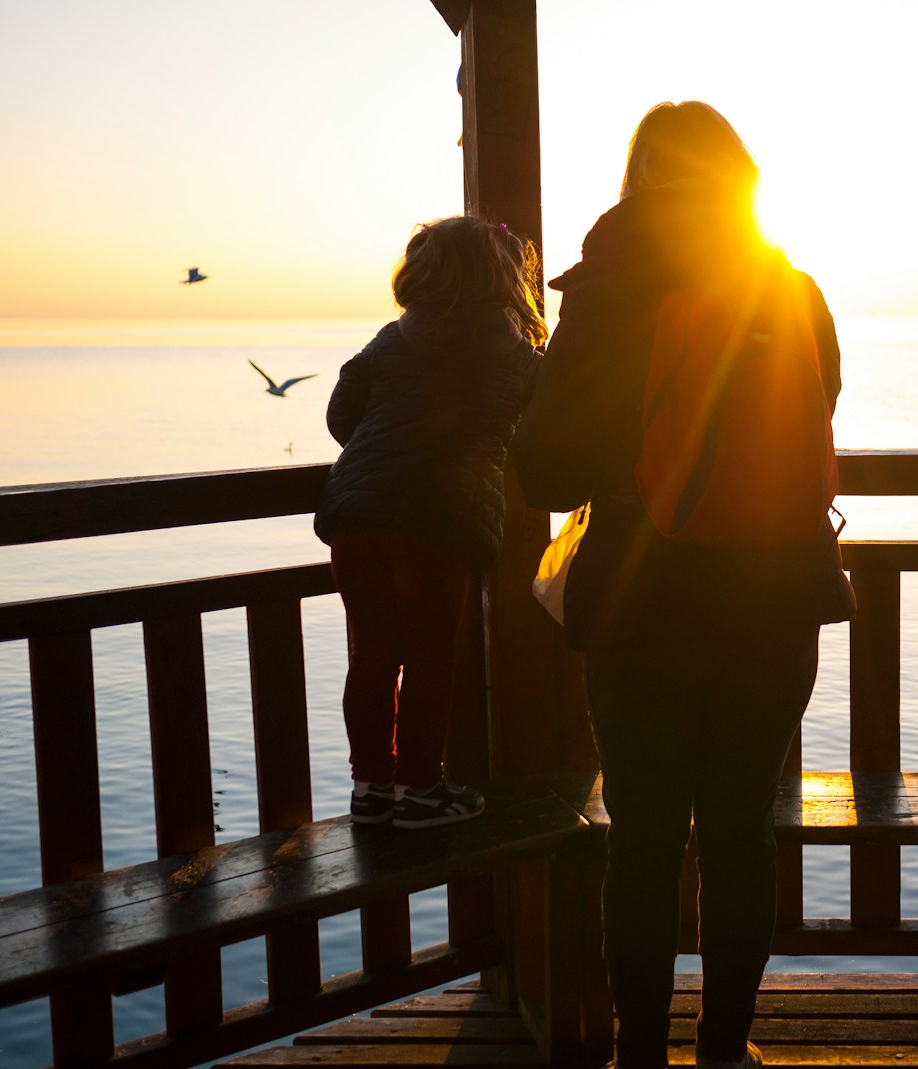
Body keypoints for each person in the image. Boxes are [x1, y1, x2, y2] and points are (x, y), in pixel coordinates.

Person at [511, 102, 855, 1069]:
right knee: (743, 831)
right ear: (740, 177)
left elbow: (547, 469)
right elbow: (820, 404)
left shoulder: (614, 285)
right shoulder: (790, 285)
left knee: (646, 837)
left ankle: (639, 1057)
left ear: (640, 182)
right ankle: (725, 1050)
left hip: (644, 602)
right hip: (779, 592)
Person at [314, 216, 545, 829]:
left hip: (356, 515)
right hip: (442, 519)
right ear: (501, 277)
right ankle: (421, 789)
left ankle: (371, 791)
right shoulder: (514, 352)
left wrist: (382, 454)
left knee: (372, 655)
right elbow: (540, 428)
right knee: (430, 658)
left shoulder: (392, 339)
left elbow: (343, 417)